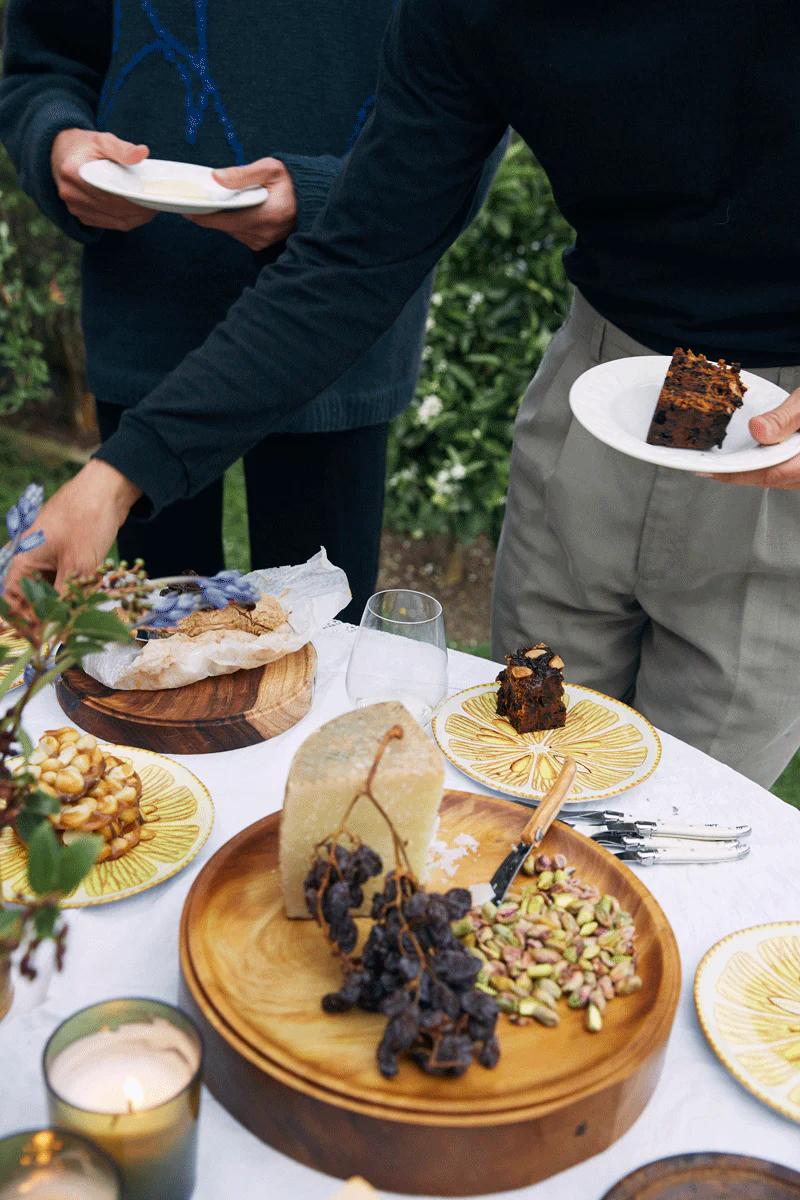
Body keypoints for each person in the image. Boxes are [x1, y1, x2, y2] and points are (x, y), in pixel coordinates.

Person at [4, 1, 800, 788]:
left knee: (695, 809)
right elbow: (357, 257)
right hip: (600, 381)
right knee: (515, 768)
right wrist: (116, 480)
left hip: (778, 424)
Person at [0, 0, 502, 621]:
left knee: (318, 659)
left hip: (335, 336)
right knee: (153, 667)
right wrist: (56, 140)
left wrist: (330, 197)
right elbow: (43, 65)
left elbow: (470, 116)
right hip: (146, 311)